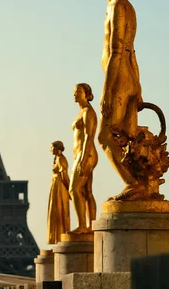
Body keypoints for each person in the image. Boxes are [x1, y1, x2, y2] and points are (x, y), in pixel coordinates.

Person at [94, 0, 143, 199]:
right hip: (129, 76)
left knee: (105, 136)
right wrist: (138, 86)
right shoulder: (127, 6)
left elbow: (116, 50)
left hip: (119, 79)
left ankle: (133, 183)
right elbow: (132, 51)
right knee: (127, 138)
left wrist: (106, 90)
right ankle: (139, 186)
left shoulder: (116, 6)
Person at [69, 83, 98, 233]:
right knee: (87, 191)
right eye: (74, 92)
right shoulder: (81, 112)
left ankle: (82, 226)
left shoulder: (88, 112)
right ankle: (90, 226)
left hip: (86, 154)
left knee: (74, 189)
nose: (74, 94)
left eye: (78, 92)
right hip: (82, 154)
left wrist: (83, 159)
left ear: (86, 94)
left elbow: (89, 137)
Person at [47, 140, 70, 244]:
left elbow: (64, 176)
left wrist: (70, 190)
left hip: (60, 186)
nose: (50, 149)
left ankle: (60, 237)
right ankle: (57, 238)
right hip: (56, 185)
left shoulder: (61, 159)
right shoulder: (56, 159)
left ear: (57, 148)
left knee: (59, 211)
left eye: (51, 147)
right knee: (56, 211)